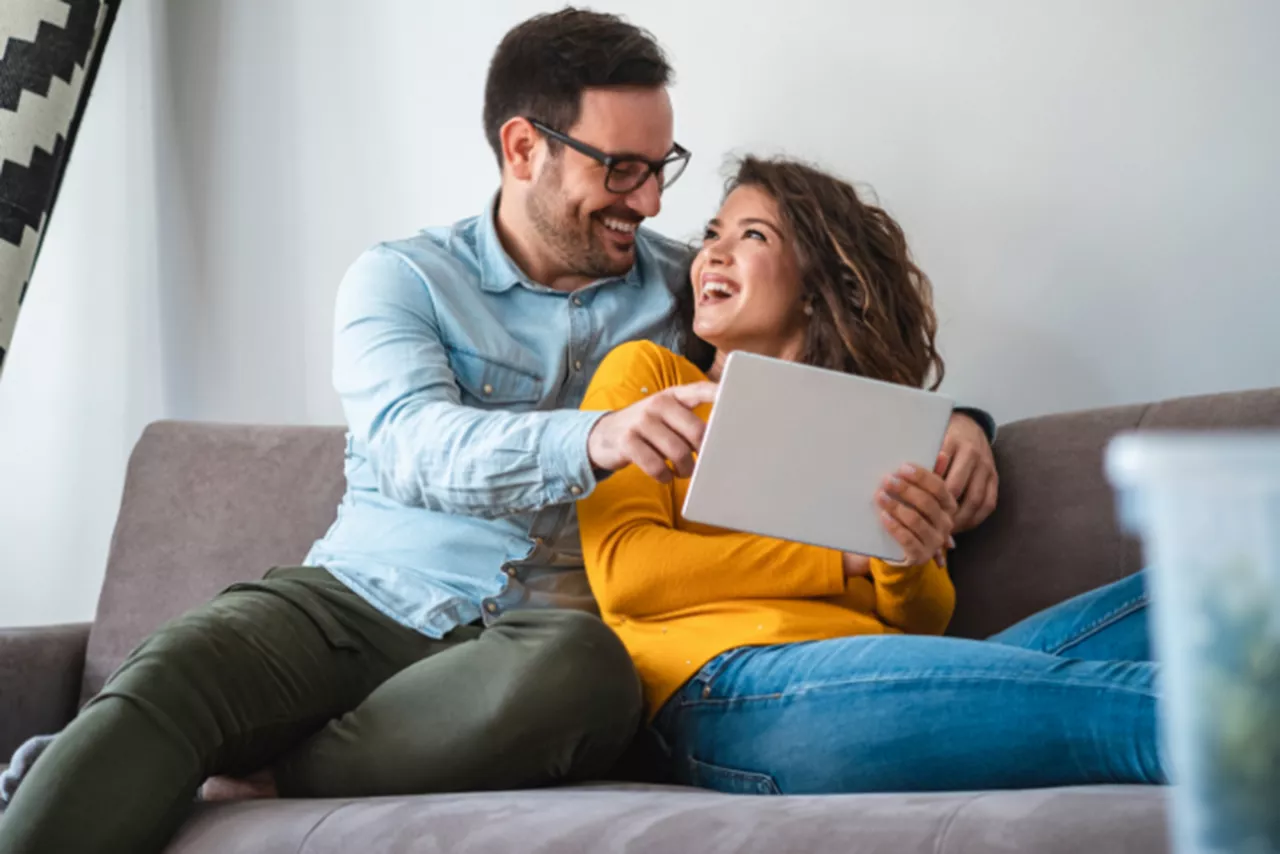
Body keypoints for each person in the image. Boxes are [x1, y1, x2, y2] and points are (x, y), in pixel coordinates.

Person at [0, 9, 1000, 853]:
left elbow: (814, 364)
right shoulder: (402, 278)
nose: (650, 201)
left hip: (540, 649)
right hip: (363, 595)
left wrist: (960, 422)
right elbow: (410, 445)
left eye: (661, 167)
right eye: (621, 169)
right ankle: (150, 754)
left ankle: (258, 768)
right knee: (180, 667)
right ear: (524, 148)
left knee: (584, 677)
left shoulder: (681, 287)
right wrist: (590, 439)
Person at [577, 155, 1166, 794]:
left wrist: (902, 556)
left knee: (1216, 583)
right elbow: (627, 574)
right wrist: (843, 558)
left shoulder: (868, 422)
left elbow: (918, 621)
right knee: (1136, 708)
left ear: (812, 285)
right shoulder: (651, 378)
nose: (713, 254)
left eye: (752, 235)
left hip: (874, 671)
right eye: (712, 233)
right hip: (724, 687)